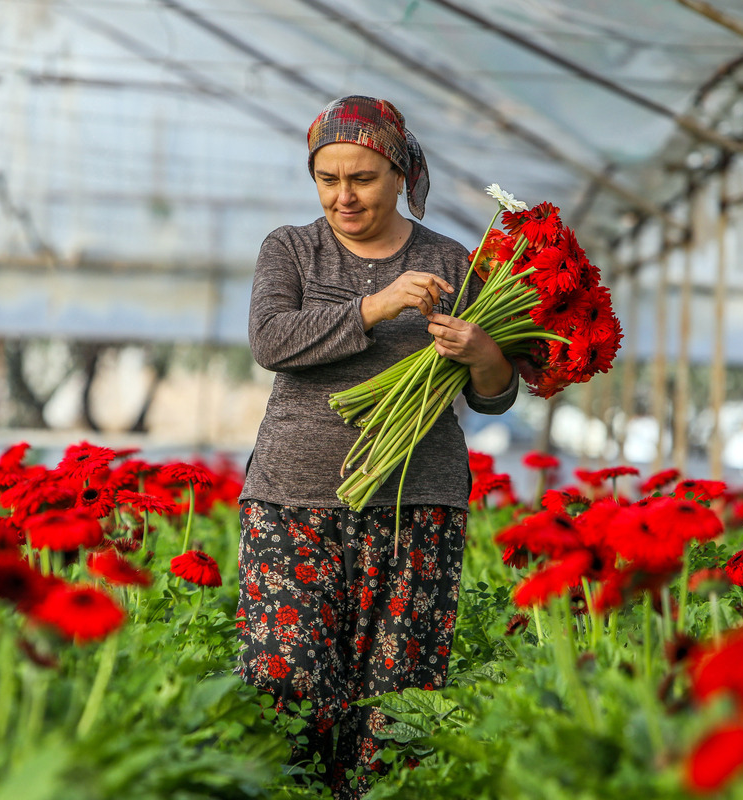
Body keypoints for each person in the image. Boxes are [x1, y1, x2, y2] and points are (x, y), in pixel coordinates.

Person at [235, 95, 518, 798]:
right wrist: (375, 306)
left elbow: (495, 395)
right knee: (288, 684)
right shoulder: (290, 249)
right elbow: (272, 340)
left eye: (360, 177)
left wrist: (484, 353)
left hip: (415, 504)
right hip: (293, 499)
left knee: (396, 702)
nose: (343, 195)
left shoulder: (452, 259)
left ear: (398, 174)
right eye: (327, 178)